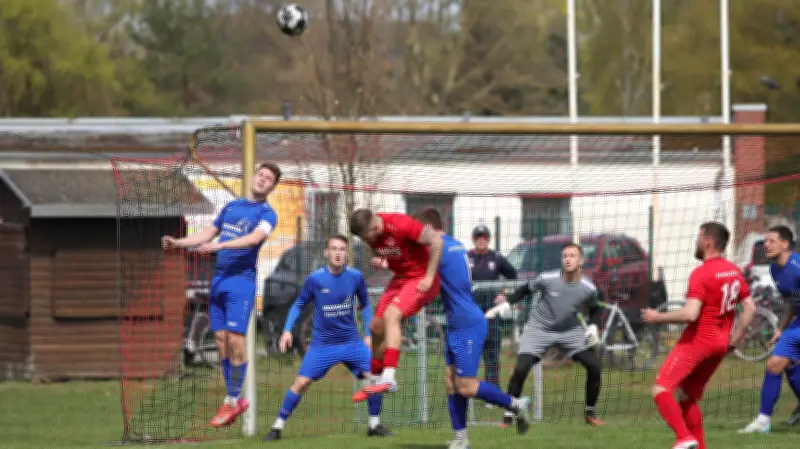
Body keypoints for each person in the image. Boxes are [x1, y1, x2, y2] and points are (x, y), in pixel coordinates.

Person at [161, 162, 281, 427]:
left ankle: (232, 399)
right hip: (219, 282)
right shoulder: (231, 206)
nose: (262, 179)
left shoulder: (267, 213)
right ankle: (233, 399)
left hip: (241, 283)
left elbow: (254, 239)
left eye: (269, 178)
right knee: (220, 340)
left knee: (236, 340)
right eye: (260, 174)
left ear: (272, 187)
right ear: (253, 177)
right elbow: (207, 233)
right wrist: (179, 243)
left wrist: (220, 245)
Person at [414, 209, 531, 449]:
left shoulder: (442, 248)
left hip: (468, 325)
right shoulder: (454, 245)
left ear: (429, 228)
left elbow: (416, 271)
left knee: (466, 385)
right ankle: (461, 439)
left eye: (419, 231)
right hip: (456, 325)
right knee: (450, 381)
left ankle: (516, 405)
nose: (417, 237)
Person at [264, 234, 390, 441]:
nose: (338, 253)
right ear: (326, 252)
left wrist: (368, 335)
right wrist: (287, 330)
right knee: (301, 383)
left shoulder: (356, 277)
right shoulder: (315, 279)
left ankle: (374, 425)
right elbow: (298, 305)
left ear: (346, 253)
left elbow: (366, 305)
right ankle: (277, 427)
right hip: (322, 346)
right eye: (334, 249)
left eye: (342, 249)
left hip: (351, 343)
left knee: (374, 378)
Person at [642, 221, 755, 449]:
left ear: (708, 241)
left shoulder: (702, 273)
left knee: (661, 388)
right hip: (720, 345)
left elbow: (690, 314)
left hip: (699, 341)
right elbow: (750, 308)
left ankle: (683, 438)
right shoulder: (734, 271)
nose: (696, 241)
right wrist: (734, 339)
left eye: (699, 237)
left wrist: (657, 317)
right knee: (686, 396)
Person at [486, 243, 605, 427]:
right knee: (520, 369)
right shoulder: (547, 278)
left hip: (569, 331)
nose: (568, 259)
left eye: (572, 256)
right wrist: (506, 305)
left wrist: (594, 326)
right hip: (539, 329)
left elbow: (595, 308)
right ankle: (508, 416)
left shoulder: (588, 287)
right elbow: (525, 289)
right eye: (565, 256)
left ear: (581, 261)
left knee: (594, 366)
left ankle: (590, 413)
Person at [349, 209, 444, 400]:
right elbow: (394, 253)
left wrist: (429, 276)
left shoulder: (401, 224)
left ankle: (389, 376)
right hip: (400, 278)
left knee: (391, 315)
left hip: (420, 278)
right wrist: (384, 262)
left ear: (375, 228)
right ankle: (375, 378)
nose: (366, 242)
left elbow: (437, 241)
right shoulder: (372, 236)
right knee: (375, 327)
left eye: (366, 237)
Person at [739, 224, 800, 433]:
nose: (766, 245)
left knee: (788, 364)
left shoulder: (797, 266)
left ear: (785, 244)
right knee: (775, 364)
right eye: (765, 241)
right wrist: (781, 328)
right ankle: (763, 422)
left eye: (771, 241)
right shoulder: (775, 270)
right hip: (796, 324)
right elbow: (792, 301)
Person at [468, 224, 517, 400]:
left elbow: (512, 275)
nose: (481, 240)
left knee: (492, 353)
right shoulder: (466, 257)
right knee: (471, 351)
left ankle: (493, 392)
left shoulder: (496, 258)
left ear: (488, 239)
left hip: (491, 312)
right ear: (474, 239)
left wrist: (504, 293)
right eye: (478, 237)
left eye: (484, 237)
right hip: (471, 312)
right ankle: (469, 390)